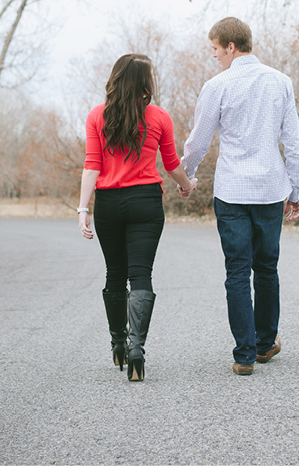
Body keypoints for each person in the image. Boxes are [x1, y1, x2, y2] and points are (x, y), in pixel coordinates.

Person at [181, 17, 299, 376]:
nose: (216, 57)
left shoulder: (217, 85)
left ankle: (245, 355)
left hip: (233, 191)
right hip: (270, 190)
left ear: (230, 47)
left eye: (216, 50)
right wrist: (296, 188)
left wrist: (187, 174)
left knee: (237, 270)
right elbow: (293, 142)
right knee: (266, 268)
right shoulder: (281, 82)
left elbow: (199, 140)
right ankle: (266, 343)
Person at [78, 54, 195, 382]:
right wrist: (187, 185)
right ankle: (136, 350)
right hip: (145, 202)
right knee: (140, 274)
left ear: (116, 78)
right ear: (145, 82)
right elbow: (171, 163)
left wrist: (83, 209)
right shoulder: (159, 117)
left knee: (115, 274)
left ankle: (117, 343)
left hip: (109, 204)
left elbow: (92, 165)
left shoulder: (97, 116)